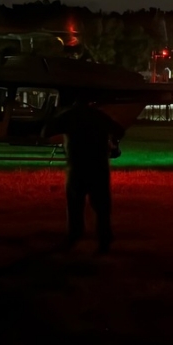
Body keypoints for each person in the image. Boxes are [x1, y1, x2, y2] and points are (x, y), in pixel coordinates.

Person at [42, 98, 124, 253]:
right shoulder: (98, 115)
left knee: (75, 203)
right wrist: (112, 142)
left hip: (77, 165)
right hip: (99, 165)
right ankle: (104, 238)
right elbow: (119, 130)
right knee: (102, 205)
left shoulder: (68, 116)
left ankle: (75, 234)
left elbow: (46, 131)